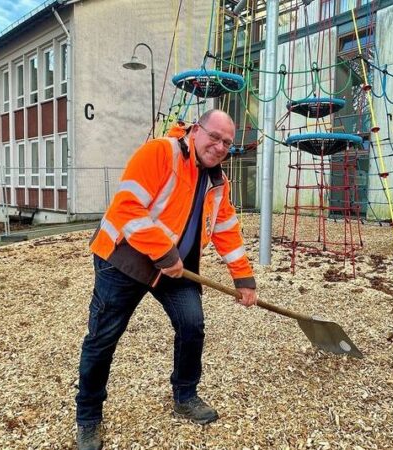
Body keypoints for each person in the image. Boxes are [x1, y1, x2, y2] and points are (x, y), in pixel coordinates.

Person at [75, 109, 258, 450]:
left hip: (176, 266)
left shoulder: (218, 181)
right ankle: (88, 419)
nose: (219, 147)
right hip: (123, 259)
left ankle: (185, 396)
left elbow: (225, 229)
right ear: (196, 130)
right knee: (102, 339)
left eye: (227, 143)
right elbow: (128, 208)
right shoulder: (160, 152)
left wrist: (244, 278)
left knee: (192, 325)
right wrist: (164, 253)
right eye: (214, 137)